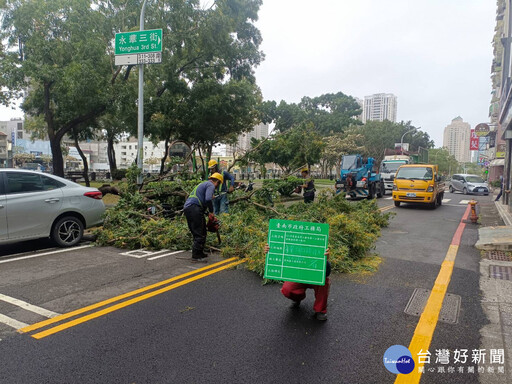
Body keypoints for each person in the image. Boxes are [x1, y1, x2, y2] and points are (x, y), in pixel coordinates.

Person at [264, 244, 331, 321]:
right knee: (287, 289)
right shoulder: (291, 243)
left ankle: (320, 310)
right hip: (298, 276)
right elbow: (279, 259)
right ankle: (297, 298)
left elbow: (327, 272)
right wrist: (271, 251)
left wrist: (325, 259)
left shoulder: (318, 241)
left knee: (324, 282)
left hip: (315, 277)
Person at [183, 173, 223, 262]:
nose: (217, 187)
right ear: (217, 182)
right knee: (200, 232)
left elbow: (203, 199)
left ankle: (200, 253)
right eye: (219, 184)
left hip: (189, 208)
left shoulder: (204, 184)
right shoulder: (210, 185)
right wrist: (212, 212)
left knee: (200, 231)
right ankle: (196, 256)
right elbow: (208, 199)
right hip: (194, 208)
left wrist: (207, 213)